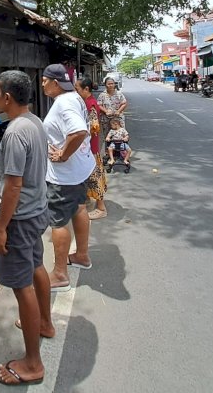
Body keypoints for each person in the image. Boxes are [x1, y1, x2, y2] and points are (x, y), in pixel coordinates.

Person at [0, 70, 53, 386]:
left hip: (19, 219)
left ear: (7, 98)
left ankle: (32, 364)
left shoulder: (16, 133)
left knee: (22, 286)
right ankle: (45, 323)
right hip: (36, 211)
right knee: (37, 266)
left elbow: (13, 185)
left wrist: (1, 229)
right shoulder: (35, 122)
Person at [42, 64, 95, 292]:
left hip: (65, 175)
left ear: (55, 83)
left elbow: (79, 131)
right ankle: (82, 255)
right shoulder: (73, 96)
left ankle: (60, 274)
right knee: (79, 208)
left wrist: (63, 154)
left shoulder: (63, 103)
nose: (42, 84)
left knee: (58, 221)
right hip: (80, 168)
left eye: (45, 80)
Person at [74, 76, 108, 220]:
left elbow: (94, 126)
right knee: (88, 176)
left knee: (94, 176)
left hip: (90, 147)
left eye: (77, 89)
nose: (76, 92)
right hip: (88, 146)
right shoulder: (87, 102)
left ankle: (101, 208)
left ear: (86, 89)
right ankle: (88, 199)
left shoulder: (90, 104)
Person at [97, 76, 127, 147]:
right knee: (107, 136)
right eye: (109, 84)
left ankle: (121, 152)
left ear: (114, 84)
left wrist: (118, 111)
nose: (111, 85)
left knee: (121, 135)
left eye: (112, 83)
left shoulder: (119, 94)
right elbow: (99, 105)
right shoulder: (102, 95)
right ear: (105, 85)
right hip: (106, 119)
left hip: (118, 119)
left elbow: (124, 103)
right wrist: (106, 111)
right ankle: (108, 153)